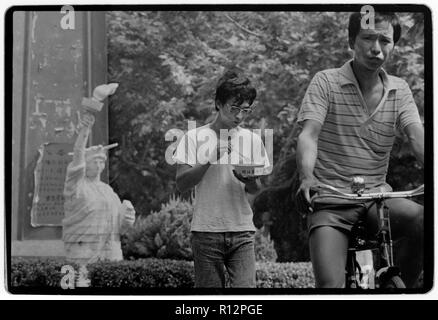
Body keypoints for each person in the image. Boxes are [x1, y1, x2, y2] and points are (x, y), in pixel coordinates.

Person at [296, 11, 424, 288]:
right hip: (331, 200)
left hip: (377, 201)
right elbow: (309, 135)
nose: (376, 48)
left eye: (385, 41)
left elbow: (417, 137)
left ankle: (401, 288)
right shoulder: (325, 82)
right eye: (368, 38)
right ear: (352, 40)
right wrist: (307, 177)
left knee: (424, 220)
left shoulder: (399, 90)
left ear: (393, 46)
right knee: (330, 288)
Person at [173, 70, 271, 288]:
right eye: (234, 108)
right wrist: (210, 159)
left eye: (245, 110)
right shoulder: (194, 137)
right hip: (206, 230)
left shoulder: (252, 140)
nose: (239, 116)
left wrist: (248, 180)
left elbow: (257, 189)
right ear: (218, 103)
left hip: (242, 230)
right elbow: (182, 183)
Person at [62, 109, 136, 265]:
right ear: (85, 165)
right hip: (84, 254)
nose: (98, 165)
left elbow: (120, 227)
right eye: (93, 161)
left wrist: (127, 217)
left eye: (101, 161)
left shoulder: (108, 191)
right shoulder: (77, 186)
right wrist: (84, 132)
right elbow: (78, 158)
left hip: (111, 253)